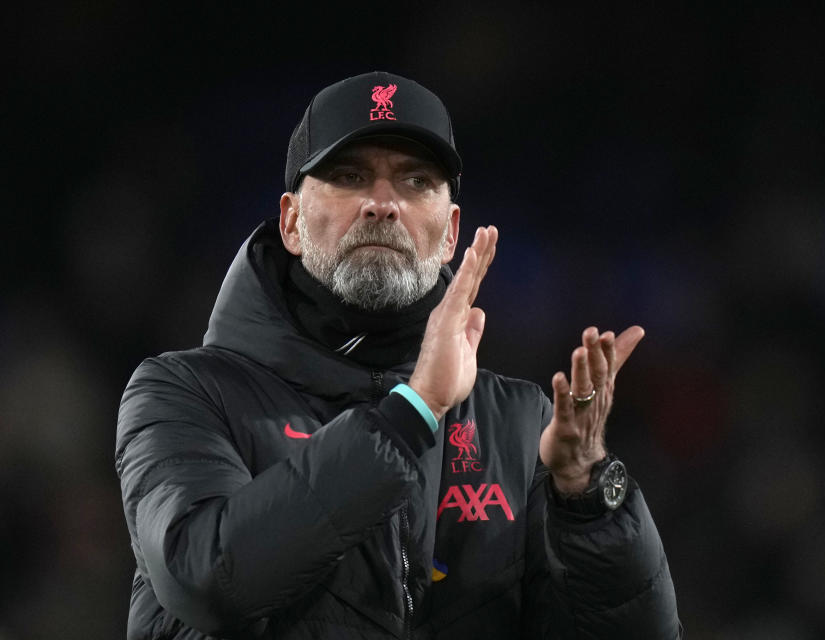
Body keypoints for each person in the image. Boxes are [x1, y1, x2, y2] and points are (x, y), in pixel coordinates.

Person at [116, 71, 681, 639]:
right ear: (290, 221)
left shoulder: (520, 425)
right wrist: (414, 410)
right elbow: (209, 581)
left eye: (415, 181)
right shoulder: (183, 394)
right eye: (348, 176)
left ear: (451, 232)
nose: (382, 204)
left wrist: (586, 496)